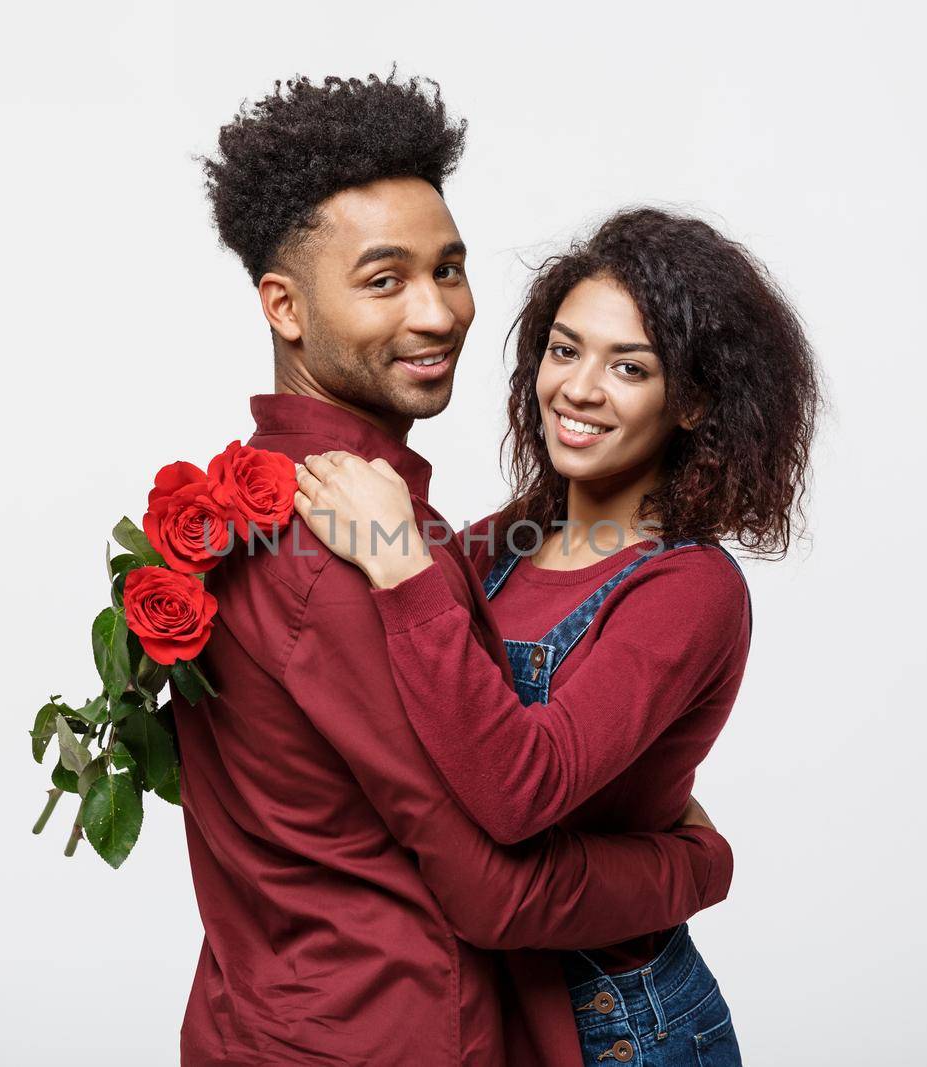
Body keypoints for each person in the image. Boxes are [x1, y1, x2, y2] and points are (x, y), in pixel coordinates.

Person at [177, 73, 733, 1065]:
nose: (438, 313)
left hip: (264, 1019)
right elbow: (496, 880)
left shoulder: (259, 500)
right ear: (285, 305)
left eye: (450, 268)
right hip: (396, 1031)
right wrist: (693, 859)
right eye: (384, 279)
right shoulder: (354, 545)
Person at [292, 206, 822, 1065]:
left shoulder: (687, 588)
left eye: (630, 368)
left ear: (690, 401)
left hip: (622, 1019)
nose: (577, 388)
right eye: (565, 349)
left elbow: (516, 790)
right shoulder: (505, 540)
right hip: (491, 1000)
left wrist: (397, 560)